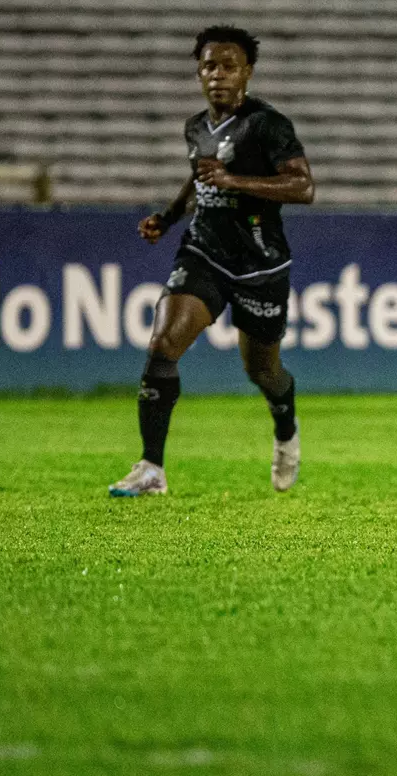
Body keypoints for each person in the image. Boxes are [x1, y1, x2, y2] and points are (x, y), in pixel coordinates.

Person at [109, 25, 315, 497]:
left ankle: (285, 429)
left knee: (262, 371)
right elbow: (199, 178)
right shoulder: (196, 126)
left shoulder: (268, 125)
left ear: (247, 73)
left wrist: (236, 181)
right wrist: (169, 216)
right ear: (199, 73)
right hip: (204, 252)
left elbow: (304, 187)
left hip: (260, 264)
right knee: (163, 344)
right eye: (208, 66)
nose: (217, 75)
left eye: (228, 66)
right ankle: (151, 469)